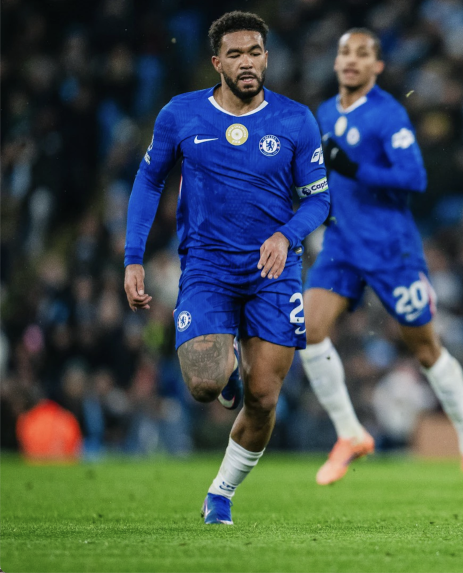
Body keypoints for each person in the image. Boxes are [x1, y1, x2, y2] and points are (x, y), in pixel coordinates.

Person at [123, 11, 330, 524]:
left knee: (263, 398)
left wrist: (285, 235)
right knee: (204, 385)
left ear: (267, 57)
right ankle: (228, 369)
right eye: (235, 54)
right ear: (217, 62)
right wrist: (133, 258)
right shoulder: (181, 114)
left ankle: (221, 492)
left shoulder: (296, 120)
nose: (247, 62)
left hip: (272, 271)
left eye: (254, 52)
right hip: (207, 267)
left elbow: (318, 200)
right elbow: (148, 181)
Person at [299, 29, 463, 503]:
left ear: (377, 66)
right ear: (336, 61)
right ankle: (350, 433)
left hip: (391, 248)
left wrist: (354, 168)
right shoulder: (324, 112)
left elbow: (414, 177)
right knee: (307, 329)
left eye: (362, 54)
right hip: (341, 243)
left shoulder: (388, 114)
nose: (351, 60)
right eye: (345, 52)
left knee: (425, 349)